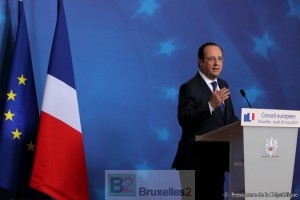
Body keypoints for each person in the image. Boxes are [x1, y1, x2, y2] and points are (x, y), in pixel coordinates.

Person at [172, 42, 239, 200]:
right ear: (200, 62)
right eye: (211, 58)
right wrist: (210, 105)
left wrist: (247, 126)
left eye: (220, 58)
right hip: (194, 164)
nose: (217, 63)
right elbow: (185, 119)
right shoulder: (189, 87)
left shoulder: (223, 84)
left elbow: (228, 119)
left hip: (217, 163)